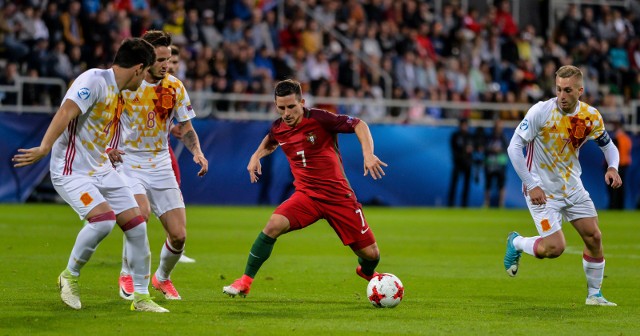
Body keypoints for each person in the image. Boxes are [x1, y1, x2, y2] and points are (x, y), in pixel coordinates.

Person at [12, 38, 168, 313]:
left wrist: (106, 148)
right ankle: (69, 276)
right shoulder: (94, 80)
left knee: (136, 224)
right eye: (144, 74)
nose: (144, 80)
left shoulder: (119, 91)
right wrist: (45, 147)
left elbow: (94, 125)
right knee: (104, 221)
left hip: (101, 168)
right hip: (72, 171)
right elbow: (66, 111)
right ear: (138, 69)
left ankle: (141, 298)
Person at [222, 79, 388, 297]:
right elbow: (271, 140)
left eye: (291, 106)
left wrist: (368, 154)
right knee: (273, 225)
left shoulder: (320, 119)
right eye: (281, 108)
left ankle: (366, 271)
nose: (287, 112)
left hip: (339, 197)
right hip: (307, 196)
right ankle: (244, 281)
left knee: (371, 254)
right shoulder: (279, 127)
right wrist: (255, 156)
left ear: (302, 102)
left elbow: (359, 124)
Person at [503, 65, 622, 306]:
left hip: (573, 187)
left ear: (580, 90)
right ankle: (516, 242)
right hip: (542, 192)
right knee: (555, 248)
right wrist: (531, 184)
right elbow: (513, 148)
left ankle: (594, 295)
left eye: (567, 90)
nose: (562, 95)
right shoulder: (540, 112)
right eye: (558, 89)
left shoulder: (590, 116)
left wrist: (613, 167)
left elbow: (608, 146)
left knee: (594, 237)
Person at [108, 31, 208, 301]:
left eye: (169, 58)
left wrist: (197, 151)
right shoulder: (126, 84)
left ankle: (162, 278)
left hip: (161, 162)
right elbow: (105, 119)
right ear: (147, 58)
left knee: (178, 236)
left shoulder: (175, 87)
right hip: (128, 161)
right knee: (140, 215)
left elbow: (186, 127)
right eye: (161, 59)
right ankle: (127, 272)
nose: (166, 64)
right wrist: (107, 147)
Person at [167, 44, 197, 264]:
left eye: (176, 63)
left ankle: (173, 242)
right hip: (131, 152)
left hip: (159, 149)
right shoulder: (138, 83)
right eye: (169, 61)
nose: (172, 66)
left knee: (174, 189)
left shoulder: (175, 87)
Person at [448, 118, 474, 207]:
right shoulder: (455, 136)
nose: (464, 127)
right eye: (462, 125)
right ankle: (450, 204)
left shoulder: (470, 136)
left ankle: (464, 204)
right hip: (458, 163)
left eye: (465, 125)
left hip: (467, 163)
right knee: (454, 183)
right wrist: (464, 150)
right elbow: (454, 149)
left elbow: (474, 148)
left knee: (466, 185)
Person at [607, 118, 632, 209]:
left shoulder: (615, 138)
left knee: (613, 187)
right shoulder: (627, 138)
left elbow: (612, 153)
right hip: (625, 165)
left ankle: (613, 205)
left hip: (616, 166)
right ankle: (620, 206)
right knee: (621, 187)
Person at [484, 119, 508, 207]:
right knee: (488, 184)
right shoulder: (489, 137)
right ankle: (486, 203)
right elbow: (485, 148)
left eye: (500, 127)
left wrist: (500, 150)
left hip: (500, 163)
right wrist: (492, 149)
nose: (498, 128)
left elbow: (507, 149)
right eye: (497, 126)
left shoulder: (503, 138)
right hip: (490, 163)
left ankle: (501, 203)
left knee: (501, 184)